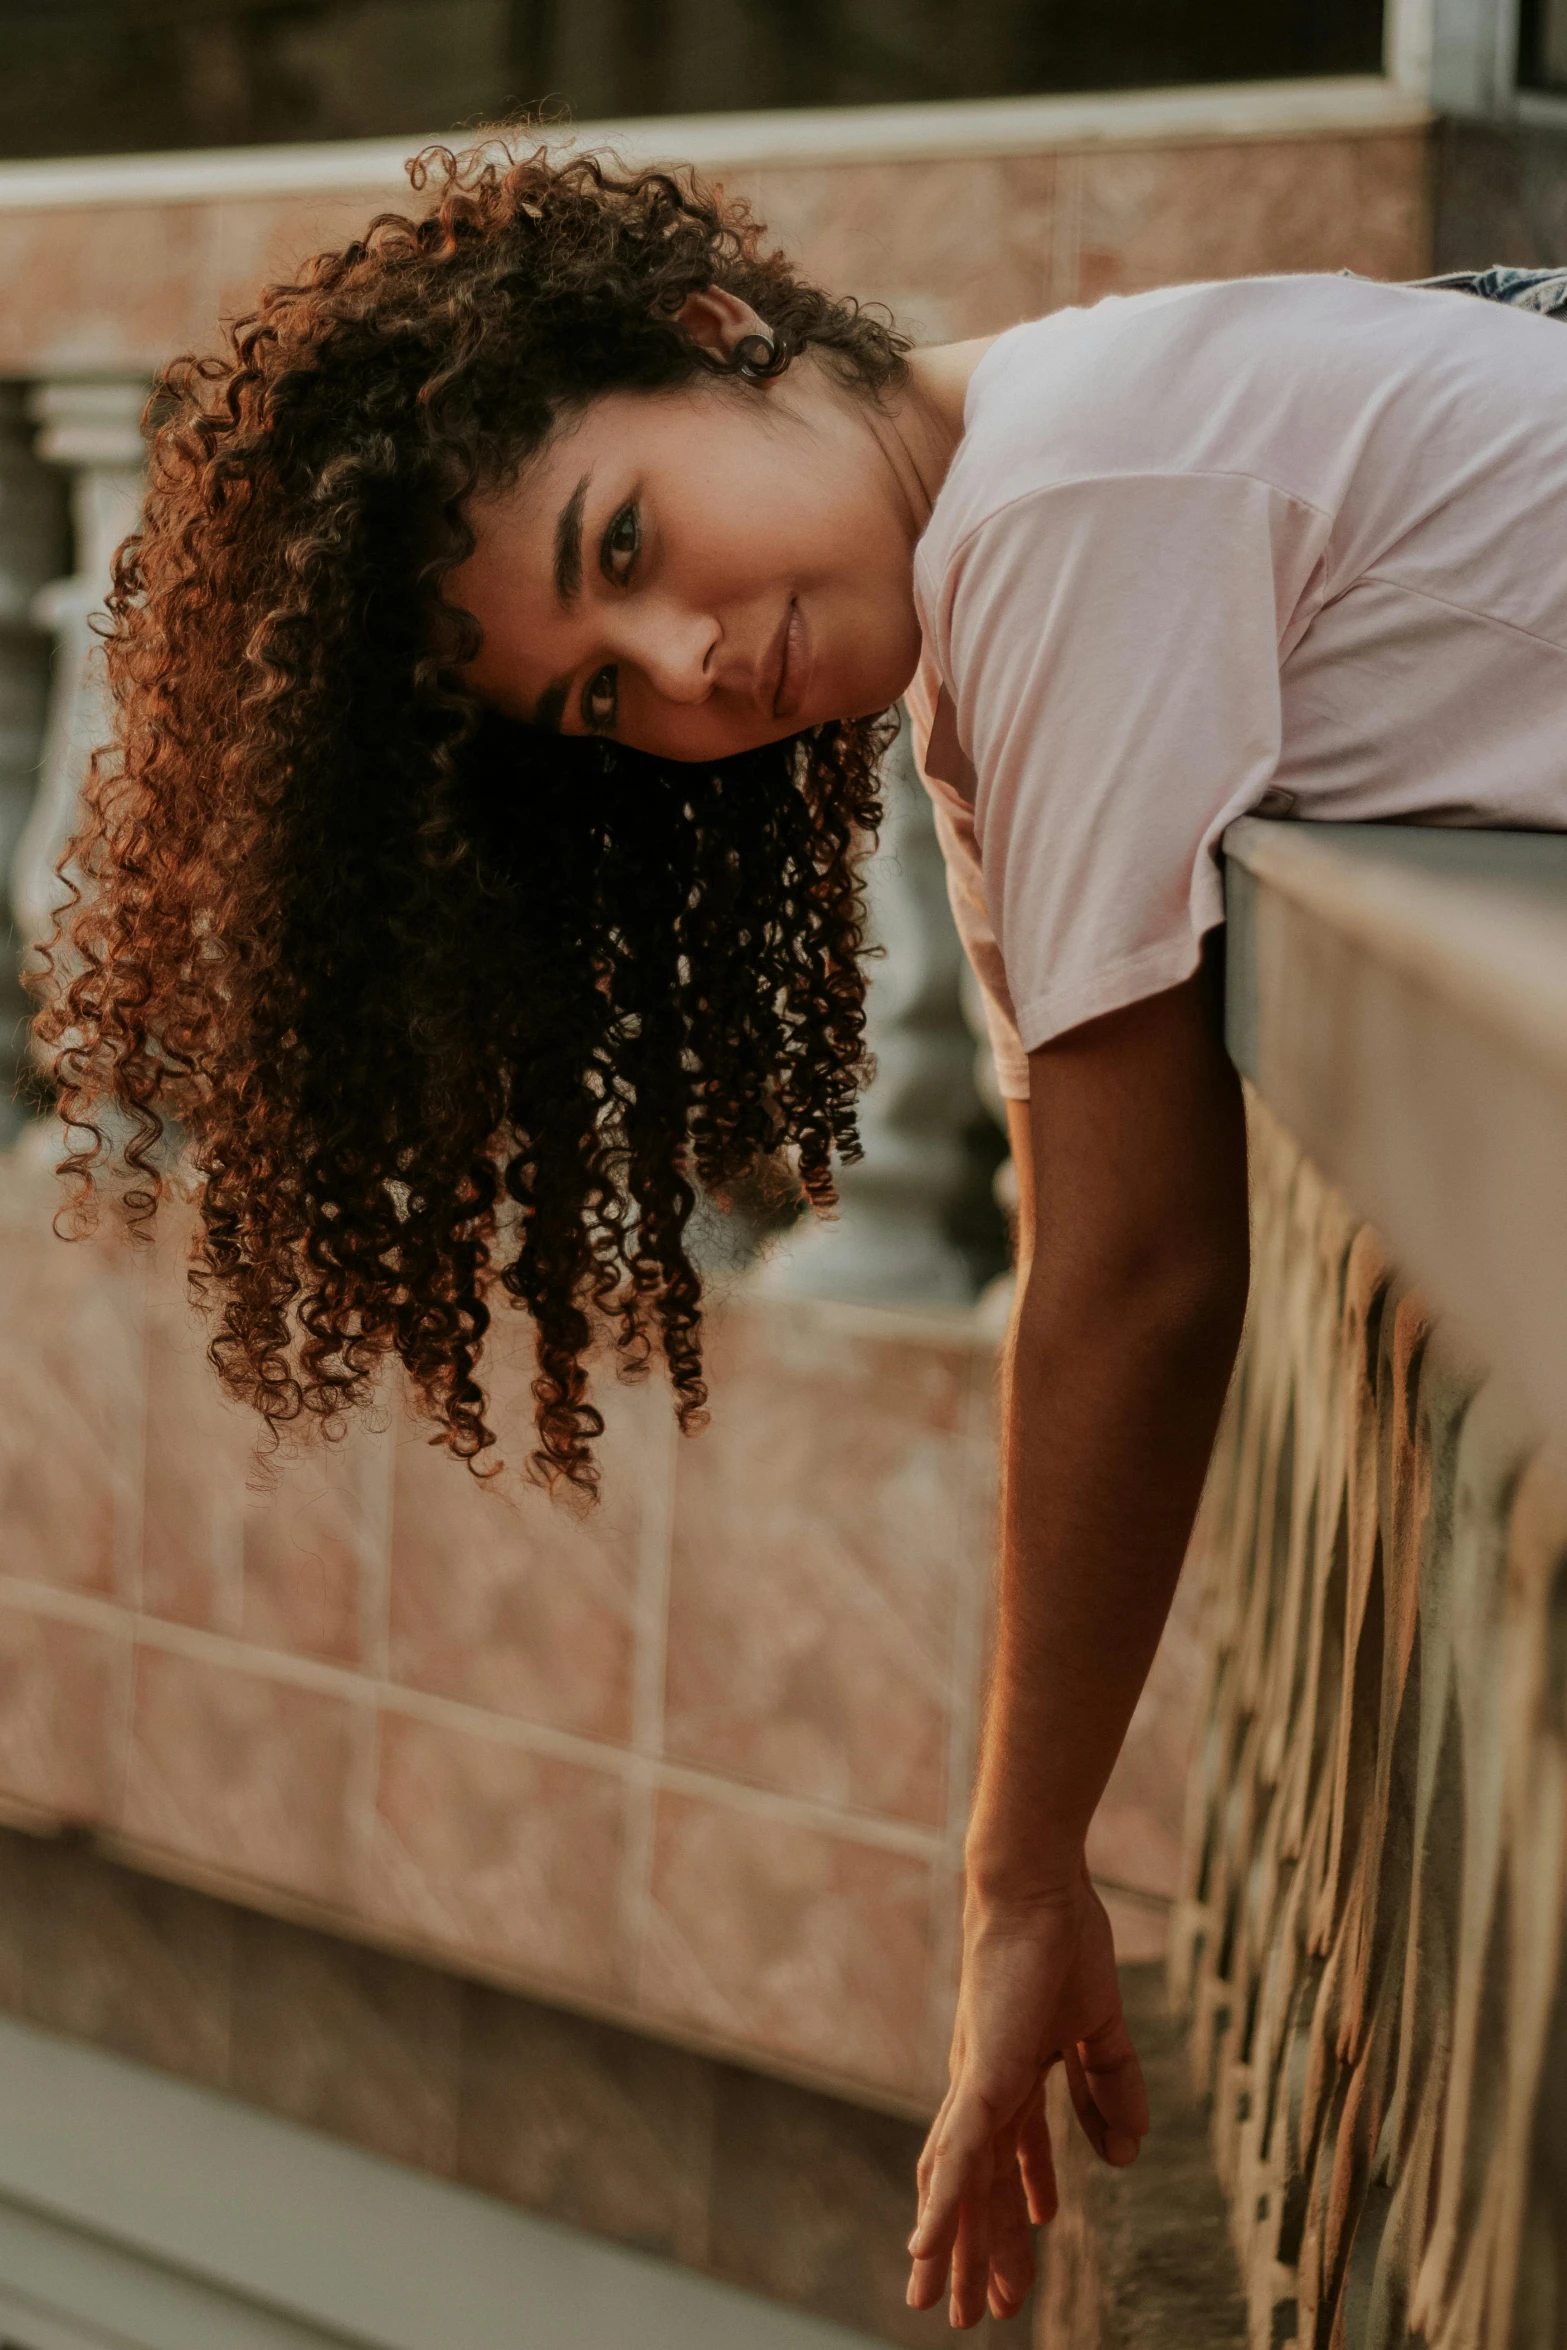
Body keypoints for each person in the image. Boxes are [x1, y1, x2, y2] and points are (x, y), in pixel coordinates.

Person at [38, 136, 1567, 2330]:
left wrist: (1018, 1880)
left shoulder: (1062, 514)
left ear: (714, 333)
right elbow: (1067, 1206)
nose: (683, 664)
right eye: (596, 692)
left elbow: (1142, 1283)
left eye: (629, 543)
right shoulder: (1006, 542)